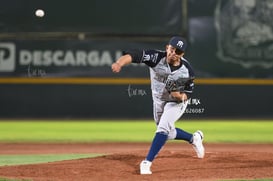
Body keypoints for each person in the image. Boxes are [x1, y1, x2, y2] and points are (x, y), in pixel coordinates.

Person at [111, 36, 205, 175]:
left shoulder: (186, 70)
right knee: (166, 133)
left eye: (178, 52)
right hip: (159, 101)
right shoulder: (155, 57)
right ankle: (194, 138)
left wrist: (178, 96)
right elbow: (134, 55)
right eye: (172, 49)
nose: (174, 53)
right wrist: (119, 63)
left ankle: (147, 162)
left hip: (176, 103)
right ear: (167, 47)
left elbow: (186, 95)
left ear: (182, 54)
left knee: (162, 129)